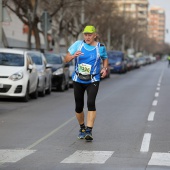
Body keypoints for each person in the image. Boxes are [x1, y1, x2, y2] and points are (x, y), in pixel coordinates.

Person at [64, 25, 108, 141]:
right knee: (79, 106)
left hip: (93, 79)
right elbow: (66, 58)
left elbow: (105, 58)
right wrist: (73, 56)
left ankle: (89, 130)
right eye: (86, 35)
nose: (87, 37)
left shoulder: (100, 47)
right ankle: (82, 128)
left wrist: (104, 68)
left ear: (95, 35)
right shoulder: (78, 45)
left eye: (90, 35)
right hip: (78, 79)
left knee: (91, 103)